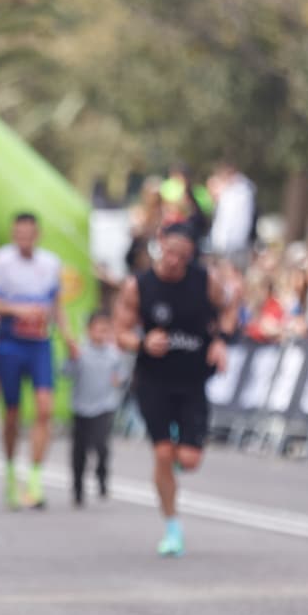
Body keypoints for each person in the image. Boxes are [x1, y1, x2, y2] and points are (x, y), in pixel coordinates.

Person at [113, 222, 227, 557]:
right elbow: (120, 332)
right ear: (160, 244)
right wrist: (143, 341)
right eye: (171, 252)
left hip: (193, 381)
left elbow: (230, 310)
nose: (175, 260)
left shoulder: (206, 281)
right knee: (163, 453)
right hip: (154, 381)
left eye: (183, 255)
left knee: (189, 460)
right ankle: (172, 526)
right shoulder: (139, 285)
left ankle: (176, 463)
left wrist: (221, 341)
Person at [0, 212, 78, 509]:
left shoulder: (50, 263)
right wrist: (20, 310)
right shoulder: (1, 261)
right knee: (12, 414)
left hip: (40, 344)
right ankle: (11, 475)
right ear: (14, 234)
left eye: (29, 234)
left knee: (45, 409)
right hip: (10, 344)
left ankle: (35, 481)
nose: (24, 239)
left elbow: (56, 305)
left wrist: (69, 337)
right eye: (19, 234)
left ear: (37, 234)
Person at [65, 311, 125, 505]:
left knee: (101, 444)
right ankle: (78, 489)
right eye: (98, 330)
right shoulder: (80, 352)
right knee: (79, 451)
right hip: (81, 407)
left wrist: (118, 380)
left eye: (105, 330)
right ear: (89, 331)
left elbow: (121, 376)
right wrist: (72, 358)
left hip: (104, 406)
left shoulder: (114, 354)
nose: (101, 334)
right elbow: (66, 373)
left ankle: (102, 476)